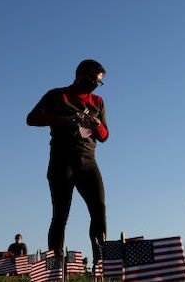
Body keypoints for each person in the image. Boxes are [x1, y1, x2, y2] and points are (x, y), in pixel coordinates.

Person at [27, 59, 110, 264]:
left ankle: (100, 264)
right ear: (81, 75)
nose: (94, 85)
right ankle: (56, 266)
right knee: (60, 215)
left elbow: (105, 135)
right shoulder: (56, 95)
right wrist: (66, 119)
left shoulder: (98, 102)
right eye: (92, 80)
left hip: (88, 162)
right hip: (61, 163)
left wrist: (95, 124)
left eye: (98, 83)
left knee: (99, 210)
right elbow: (32, 118)